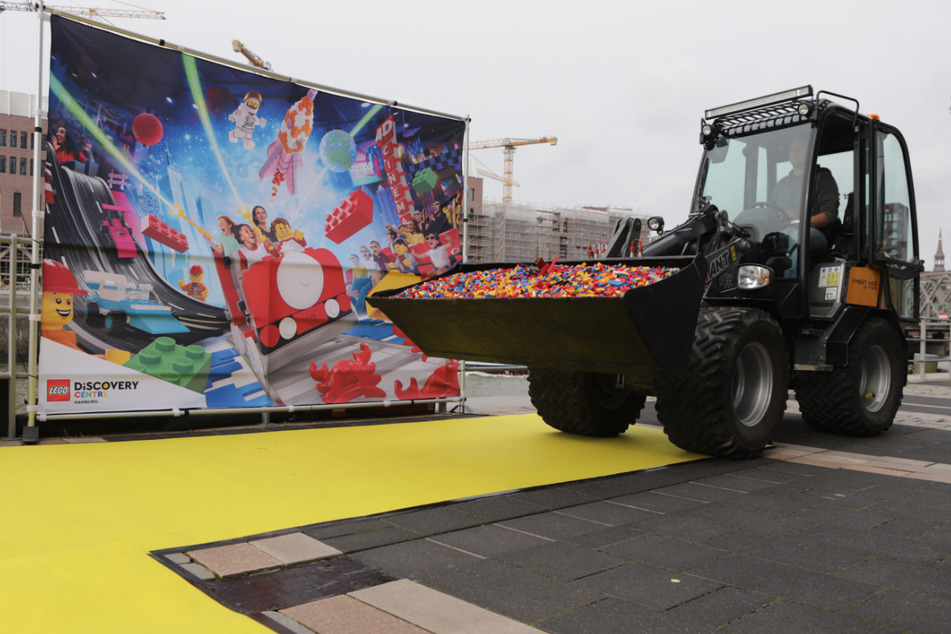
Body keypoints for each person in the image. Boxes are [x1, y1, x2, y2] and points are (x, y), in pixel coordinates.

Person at [772, 136, 839, 250]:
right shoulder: (781, 184)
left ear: (809, 152)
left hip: (814, 232)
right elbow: (771, 211)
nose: (795, 152)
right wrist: (780, 214)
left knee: (795, 238)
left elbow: (829, 215)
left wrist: (798, 221)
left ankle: (791, 269)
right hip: (785, 230)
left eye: (800, 148)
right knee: (765, 242)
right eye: (792, 149)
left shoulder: (823, 179)